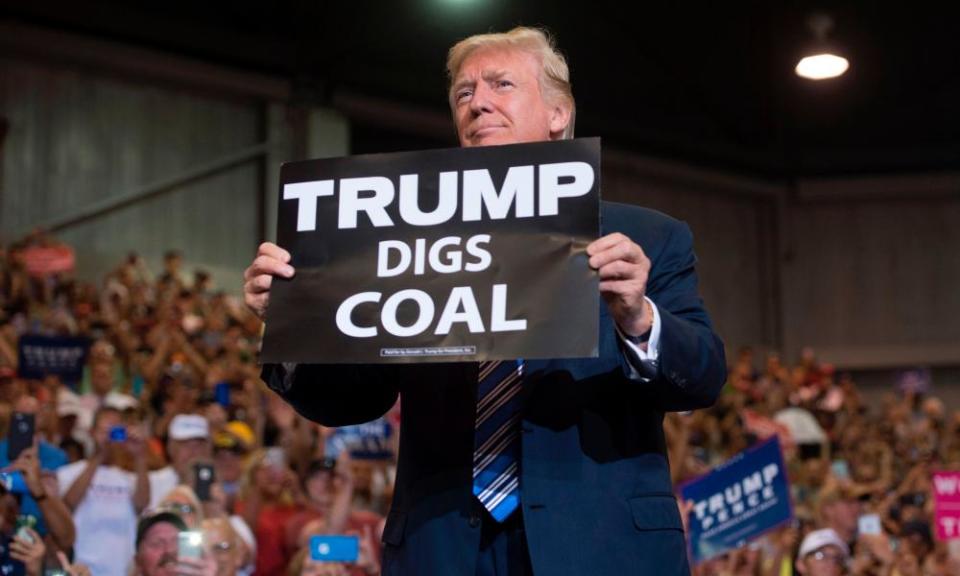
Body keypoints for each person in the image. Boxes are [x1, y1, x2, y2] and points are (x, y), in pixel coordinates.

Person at [246, 27, 725, 575]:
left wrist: (638, 317)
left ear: (558, 114)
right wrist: (290, 324)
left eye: (501, 83)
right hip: (443, 547)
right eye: (464, 93)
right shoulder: (404, 236)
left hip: (601, 544)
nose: (479, 103)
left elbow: (704, 376)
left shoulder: (645, 238)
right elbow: (357, 399)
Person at [57, 406, 149, 576]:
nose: (109, 438)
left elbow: (141, 505)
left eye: (115, 430)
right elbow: (68, 505)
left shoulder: (129, 477)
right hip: (81, 570)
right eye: (104, 431)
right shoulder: (68, 473)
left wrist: (140, 457)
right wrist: (99, 455)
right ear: (91, 432)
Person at [150, 414, 213, 509]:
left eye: (198, 445)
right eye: (185, 444)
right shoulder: (152, 484)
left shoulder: (215, 486)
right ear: (170, 447)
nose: (193, 452)